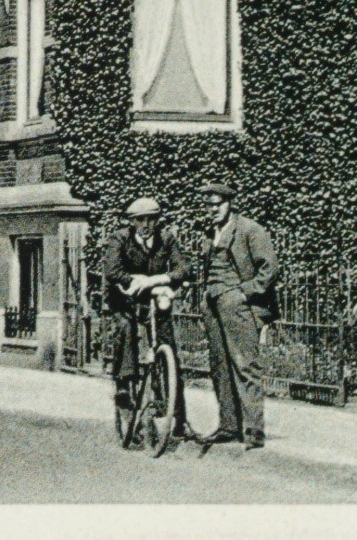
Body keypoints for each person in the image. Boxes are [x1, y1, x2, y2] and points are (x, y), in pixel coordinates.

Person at [195, 181, 277, 451]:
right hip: (213, 304)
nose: (213, 210)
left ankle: (253, 431)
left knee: (244, 365)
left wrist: (244, 293)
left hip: (238, 306)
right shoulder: (210, 232)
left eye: (217, 205)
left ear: (230, 203)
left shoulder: (250, 230)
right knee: (219, 365)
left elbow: (269, 269)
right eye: (208, 206)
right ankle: (228, 426)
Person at [103, 196, 192, 425]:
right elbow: (112, 270)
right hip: (125, 299)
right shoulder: (119, 238)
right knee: (126, 329)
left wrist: (156, 280)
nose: (146, 225)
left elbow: (183, 268)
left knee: (167, 345)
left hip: (154, 297)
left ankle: (177, 417)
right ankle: (124, 385)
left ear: (157, 221)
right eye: (140, 220)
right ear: (132, 222)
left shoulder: (166, 238)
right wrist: (134, 280)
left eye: (151, 220)